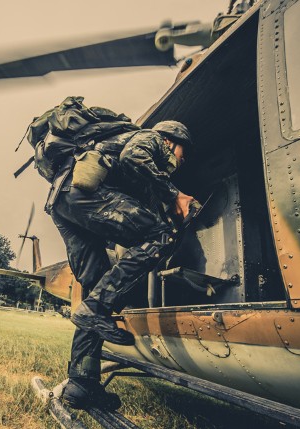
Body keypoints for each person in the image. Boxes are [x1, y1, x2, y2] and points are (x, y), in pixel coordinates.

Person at [49, 120, 197, 409]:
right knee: (163, 236)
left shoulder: (143, 174)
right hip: (84, 195)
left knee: (94, 286)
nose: (183, 159)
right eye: (184, 151)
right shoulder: (153, 139)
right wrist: (176, 194)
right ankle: (96, 308)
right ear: (172, 140)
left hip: (63, 201)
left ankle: (82, 384)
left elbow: (138, 210)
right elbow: (134, 157)